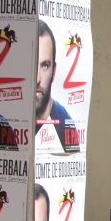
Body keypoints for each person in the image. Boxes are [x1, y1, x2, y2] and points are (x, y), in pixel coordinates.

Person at [36, 20, 78, 151]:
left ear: (53, 72)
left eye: (44, 65)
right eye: (30, 64)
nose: (37, 79)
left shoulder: (65, 124)